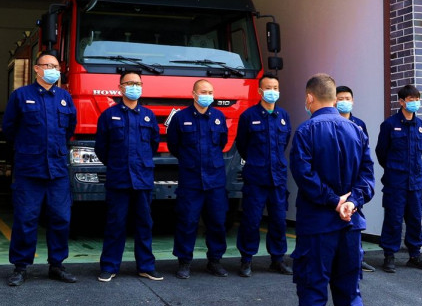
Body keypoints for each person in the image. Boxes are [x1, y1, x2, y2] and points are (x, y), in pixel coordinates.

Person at [278, 74, 375, 306]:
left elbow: (304, 177)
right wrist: (351, 202)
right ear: (335, 98)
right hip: (351, 226)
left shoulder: (306, 132)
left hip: (318, 227)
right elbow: (368, 178)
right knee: (349, 290)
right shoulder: (357, 131)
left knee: (313, 290)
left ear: (310, 98)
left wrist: (334, 201)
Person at [3, 52, 77, 286]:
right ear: (37, 69)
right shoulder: (21, 96)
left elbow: (69, 129)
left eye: (56, 66)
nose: (54, 70)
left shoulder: (65, 98)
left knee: (61, 219)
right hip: (29, 169)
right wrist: (29, 149)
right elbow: (9, 128)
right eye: (48, 65)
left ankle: (57, 265)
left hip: (57, 170)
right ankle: (20, 267)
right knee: (26, 219)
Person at [94, 71, 162, 282]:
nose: (134, 86)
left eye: (138, 83)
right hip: (119, 178)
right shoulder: (108, 115)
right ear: (120, 87)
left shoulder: (148, 115)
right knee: (116, 224)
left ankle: (146, 266)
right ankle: (109, 266)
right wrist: (117, 164)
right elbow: (101, 148)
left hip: (142, 178)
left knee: (144, 224)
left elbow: (153, 144)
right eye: (130, 83)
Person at [167, 79, 229, 279]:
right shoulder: (180, 118)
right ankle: (184, 262)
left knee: (217, 222)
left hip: (215, 180)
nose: (207, 95)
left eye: (210, 92)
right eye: (203, 91)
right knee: (187, 221)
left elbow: (222, 142)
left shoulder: (219, 117)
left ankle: (215, 261)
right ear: (193, 93)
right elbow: (174, 146)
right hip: (191, 179)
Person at [235, 72, 292, 277]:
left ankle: (277, 259)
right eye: (268, 88)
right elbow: (242, 145)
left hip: (277, 178)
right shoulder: (248, 116)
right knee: (251, 220)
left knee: (278, 220)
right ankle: (246, 259)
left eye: (275, 88)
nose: (272, 92)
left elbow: (285, 143)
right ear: (260, 91)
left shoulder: (283, 116)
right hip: (256, 178)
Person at [375, 84, 422, 273]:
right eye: (411, 100)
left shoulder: (421, 126)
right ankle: (389, 256)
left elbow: (420, 151)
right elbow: (381, 152)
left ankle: (415, 255)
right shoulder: (390, 124)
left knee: (415, 218)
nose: (415, 103)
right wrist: (394, 169)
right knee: (393, 219)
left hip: (415, 182)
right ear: (401, 102)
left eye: (417, 100)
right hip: (396, 182)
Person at [335, 85, 376, 273]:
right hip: (336, 184)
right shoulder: (330, 122)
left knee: (355, 221)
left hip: (355, 183)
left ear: (352, 101)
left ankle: (357, 258)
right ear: (334, 101)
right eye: (340, 98)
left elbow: (366, 155)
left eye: (347, 98)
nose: (344, 102)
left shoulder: (359, 124)